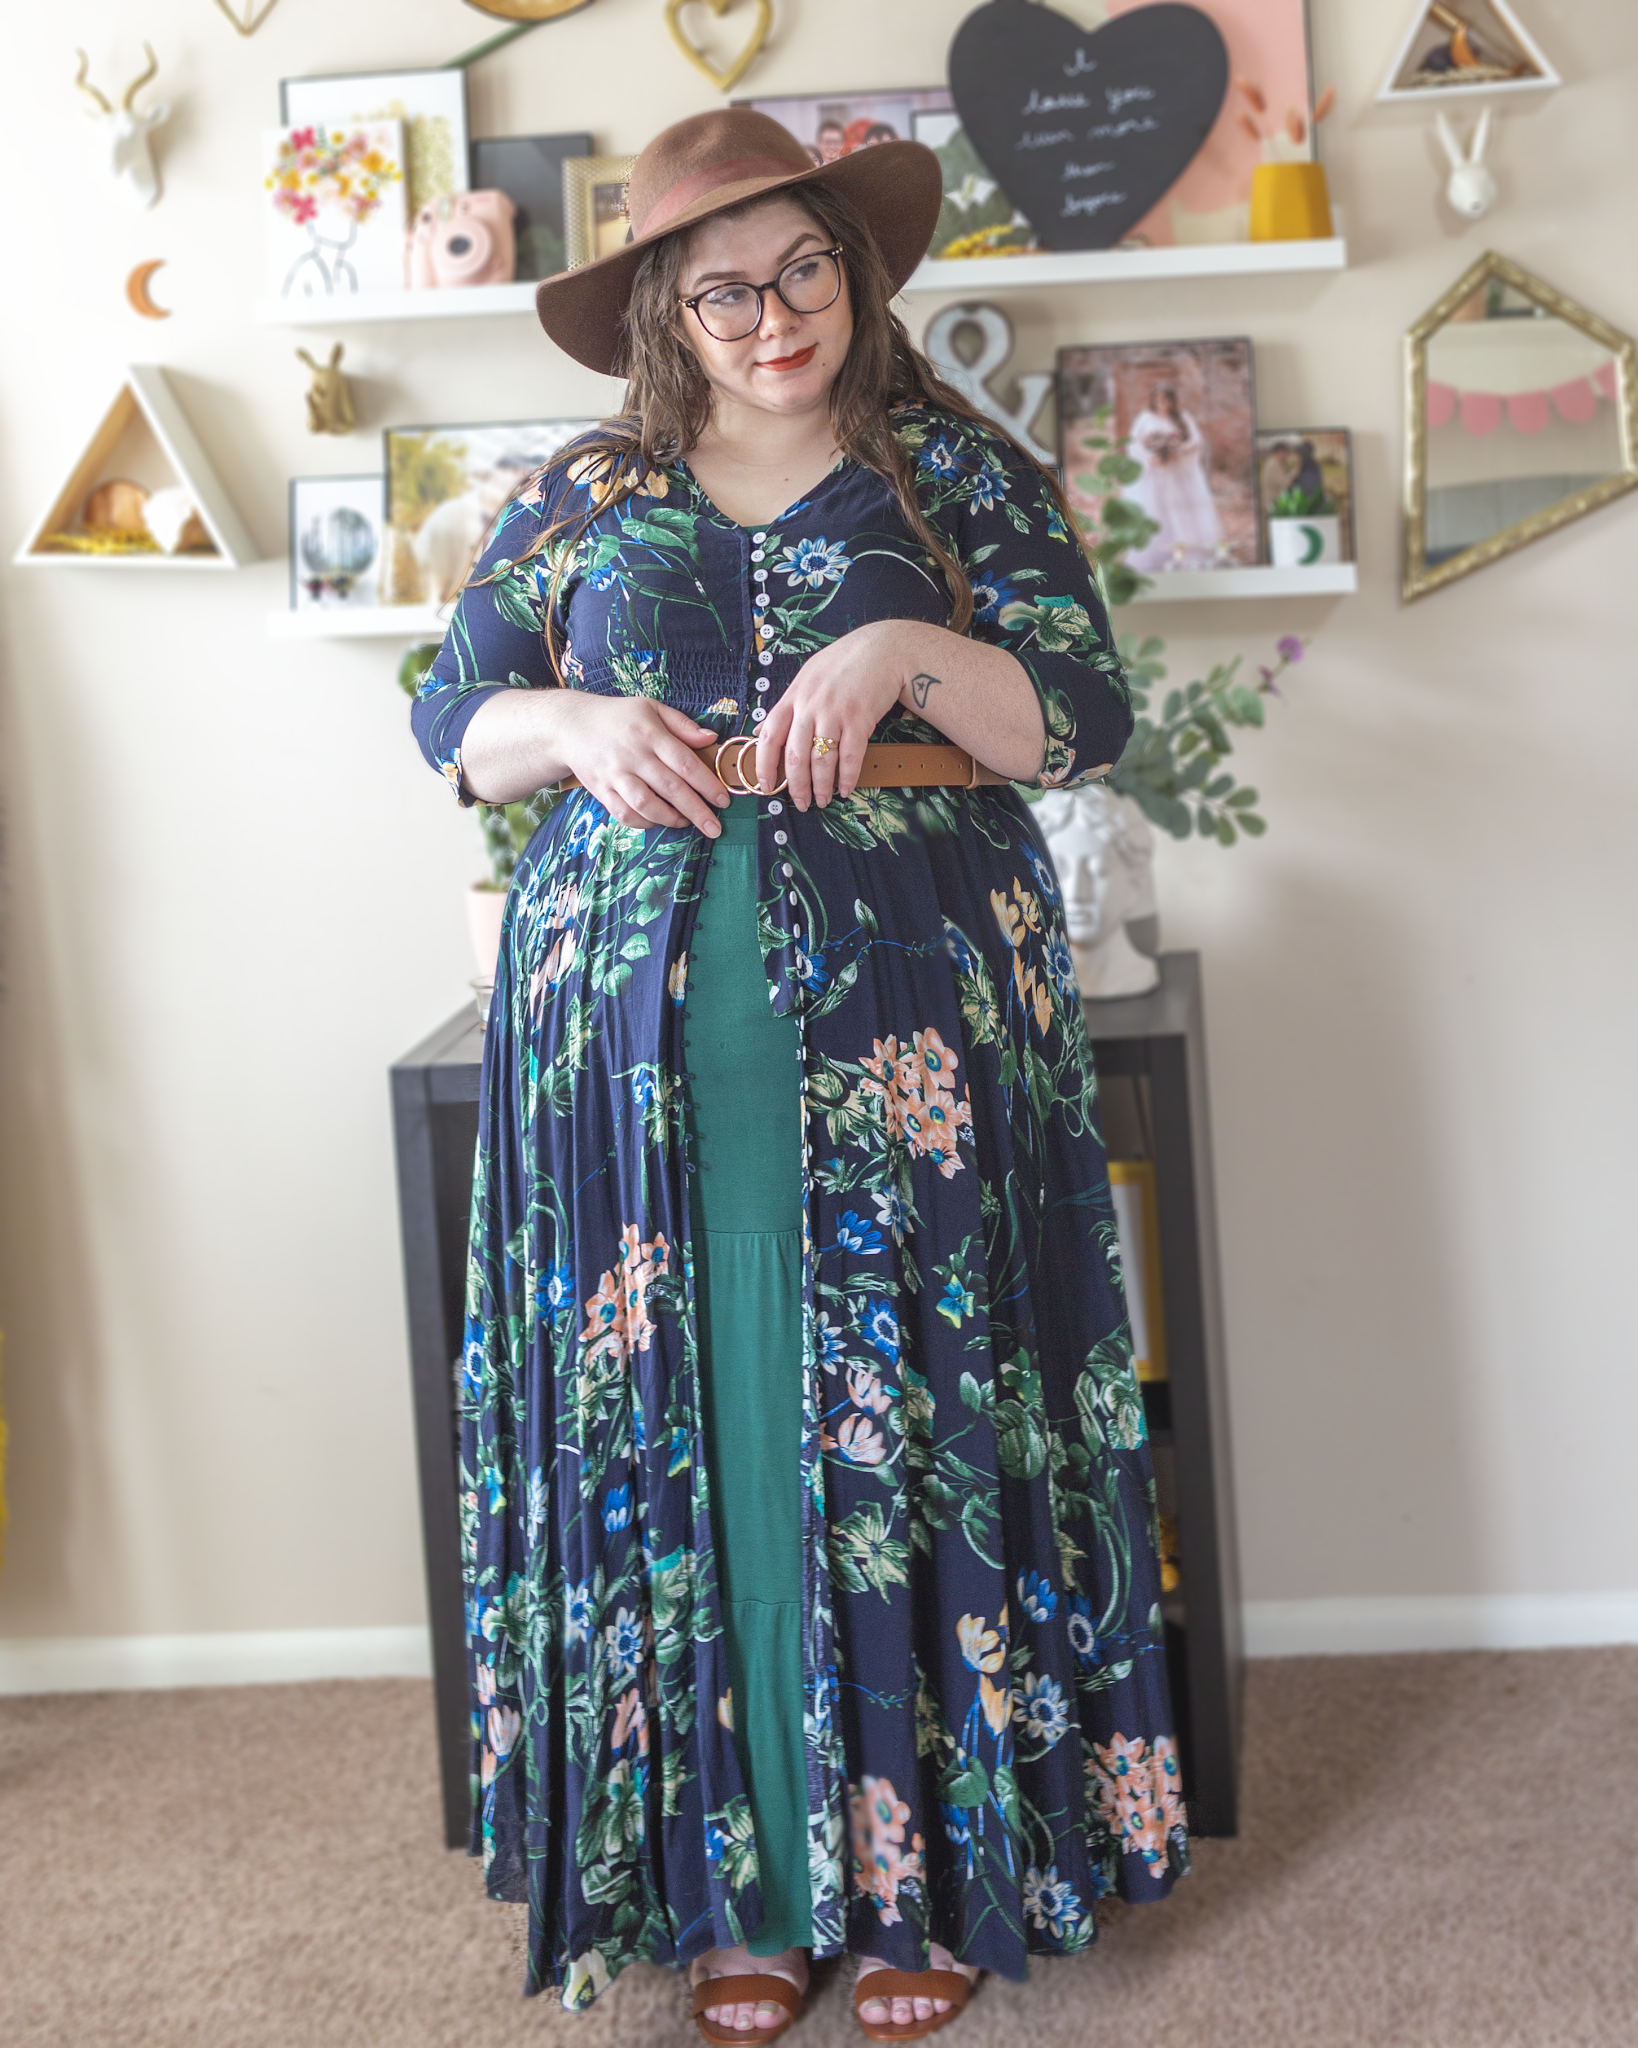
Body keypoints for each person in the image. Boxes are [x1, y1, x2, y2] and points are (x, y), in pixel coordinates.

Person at [412, 108, 1188, 2043]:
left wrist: (911, 649)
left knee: (910, 1414)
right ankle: (732, 1887)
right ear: (669, 311)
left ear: (854, 271)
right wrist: (577, 719)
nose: (773, 316)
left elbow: (1076, 713)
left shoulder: (951, 478)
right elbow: (450, 717)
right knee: (708, 1419)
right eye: (725, 286)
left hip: (916, 1046)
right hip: (633, 1066)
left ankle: (927, 1878)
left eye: (804, 271)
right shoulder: (582, 493)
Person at [1125, 381, 1223, 572]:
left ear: (1172, 400)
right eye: (1159, 399)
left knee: (1179, 511)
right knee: (1154, 511)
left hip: (1176, 474)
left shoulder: (1183, 417)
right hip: (1153, 474)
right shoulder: (1145, 418)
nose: (1162, 403)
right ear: (1153, 400)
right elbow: (1133, 444)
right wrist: (1149, 457)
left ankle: (1185, 553)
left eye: (1166, 399)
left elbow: (1195, 441)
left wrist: (1177, 453)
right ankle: (1155, 556)